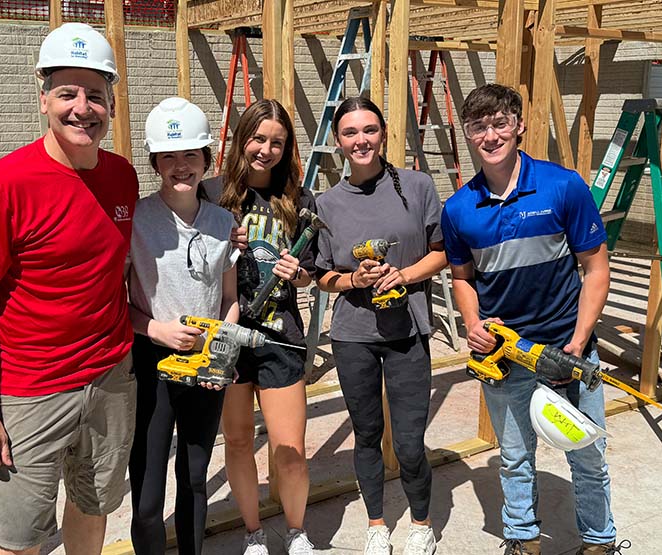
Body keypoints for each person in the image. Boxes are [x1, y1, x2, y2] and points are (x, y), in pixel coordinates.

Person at [0, 23, 138, 555]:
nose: (83, 107)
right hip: (31, 390)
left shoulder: (122, 177)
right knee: (18, 539)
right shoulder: (2, 185)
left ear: (112, 106)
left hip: (111, 380)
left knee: (93, 505)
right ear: (43, 100)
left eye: (96, 95)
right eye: (67, 93)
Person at [440, 84, 621, 555]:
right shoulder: (459, 208)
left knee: (587, 455)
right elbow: (462, 277)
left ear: (519, 125)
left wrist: (577, 346)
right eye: (478, 126)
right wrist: (473, 324)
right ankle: (522, 539)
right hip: (505, 356)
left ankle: (599, 541)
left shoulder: (563, 187)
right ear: (468, 135)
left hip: (568, 349)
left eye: (500, 123)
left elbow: (596, 269)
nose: (490, 135)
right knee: (516, 457)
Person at [314, 96, 447, 555]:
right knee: (367, 433)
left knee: (410, 441)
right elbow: (320, 273)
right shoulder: (327, 203)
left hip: (407, 332)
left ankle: (421, 523)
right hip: (354, 337)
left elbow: (442, 250)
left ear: (383, 133)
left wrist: (403, 275)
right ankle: (376, 524)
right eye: (350, 133)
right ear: (338, 142)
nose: (361, 140)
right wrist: (353, 278)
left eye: (369, 130)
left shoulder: (417, 186)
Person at [202, 99, 317, 555]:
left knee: (290, 450)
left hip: (281, 337)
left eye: (277, 142)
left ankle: (295, 531)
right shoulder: (211, 195)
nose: (266, 150)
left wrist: (299, 273)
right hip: (228, 337)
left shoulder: (299, 200)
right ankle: (252, 532)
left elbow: (312, 272)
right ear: (241, 139)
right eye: (258, 138)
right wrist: (218, 242)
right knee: (237, 440)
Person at [126, 97, 240, 555]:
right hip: (152, 361)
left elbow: (230, 300)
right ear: (155, 162)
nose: (181, 167)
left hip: (207, 362)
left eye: (191, 155)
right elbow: (120, 302)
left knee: (194, 479)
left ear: (206, 160)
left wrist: (221, 349)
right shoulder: (136, 218)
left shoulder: (222, 222)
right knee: (149, 497)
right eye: (169, 157)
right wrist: (157, 331)